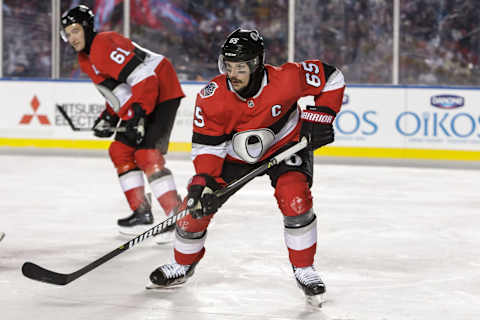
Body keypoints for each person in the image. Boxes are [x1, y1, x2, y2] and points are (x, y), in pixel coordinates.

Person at [148, 28, 345, 301]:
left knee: (296, 200)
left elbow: (332, 78)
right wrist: (203, 182)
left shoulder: (287, 78)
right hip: (233, 157)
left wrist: (322, 117)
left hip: (286, 146)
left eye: (240, 67)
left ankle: (305, 269)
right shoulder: (212, 96)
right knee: (193, 210)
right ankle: (182, 265)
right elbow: (208, 147)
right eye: (228, 66)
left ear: (256, 64)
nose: (233, 74)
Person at [61, 5, 184, 239]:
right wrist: (109, 116)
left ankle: (178, 216)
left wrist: (138, 112)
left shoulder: (103, 45)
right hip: (143, 95)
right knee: (120, 150)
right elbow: (120, 91)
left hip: (162, 88)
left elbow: (144, 76)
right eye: (67, 34)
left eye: (75, 30)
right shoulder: (85, 58)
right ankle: (141, 213)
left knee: (147, 154)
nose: (71, 38)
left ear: (87, 28)